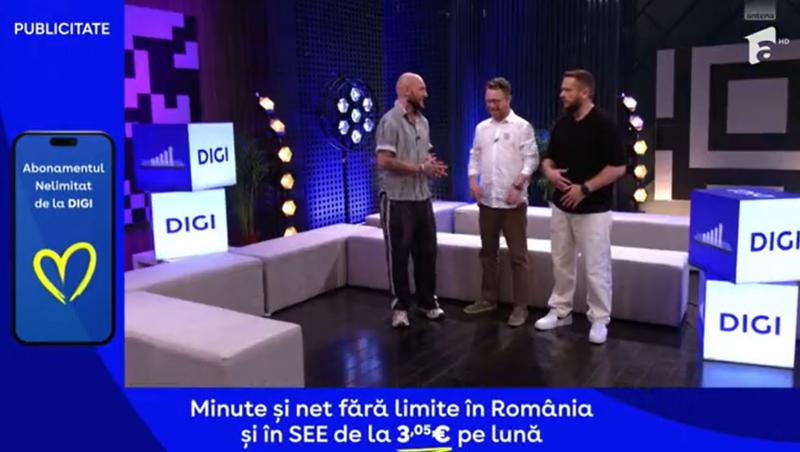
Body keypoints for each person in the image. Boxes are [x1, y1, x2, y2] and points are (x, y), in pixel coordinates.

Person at [534, 69, 626, 344]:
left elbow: (618, 167)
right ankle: (560, 310)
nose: (562, 94)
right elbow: (548, 159)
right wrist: (549, 172)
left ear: (584, 92)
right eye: (562, 89)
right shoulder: (563, 124)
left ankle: (599, 319)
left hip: (594, 210)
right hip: (561, 208)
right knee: (561, 262)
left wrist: (584, 188)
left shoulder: (603, 124)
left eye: (567, 90)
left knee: (596, 267)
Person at [463, 77, 539, 327]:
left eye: (496, 101)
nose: (492, 106)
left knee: (518, 257)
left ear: (508, 99)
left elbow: (532, 159)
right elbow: (474, 156)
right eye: (488, 101)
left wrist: (518, 185)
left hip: (513, 205)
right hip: (487, 202)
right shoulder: (481, 128)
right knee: (488, 254)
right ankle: (488, 299)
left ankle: (520, 307)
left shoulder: (522, 127)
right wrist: (472, 181)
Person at [375, 72, 448, 328]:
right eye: (421, 89)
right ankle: (400, 307)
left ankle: (427, 302)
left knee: (427, 252)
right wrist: (419, 168)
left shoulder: (423, 122)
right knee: (399, 254)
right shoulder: (390, 121)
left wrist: (431, 165)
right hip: (397, 199)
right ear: (406, 91)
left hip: (422, 197)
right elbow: (384, 160)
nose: (426, 94)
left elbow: (424, 154)